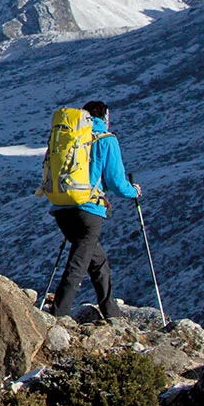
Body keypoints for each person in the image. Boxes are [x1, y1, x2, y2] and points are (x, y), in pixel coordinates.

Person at [46, 100, 138, 322]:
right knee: (78, 263)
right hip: (89, 210)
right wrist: (133, 191)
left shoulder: (71, 137)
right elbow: (116, 182)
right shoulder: (106, 140)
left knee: (98, 261)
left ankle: (111, 312)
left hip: (62, 208)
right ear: (105, 117)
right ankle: (59, 315)